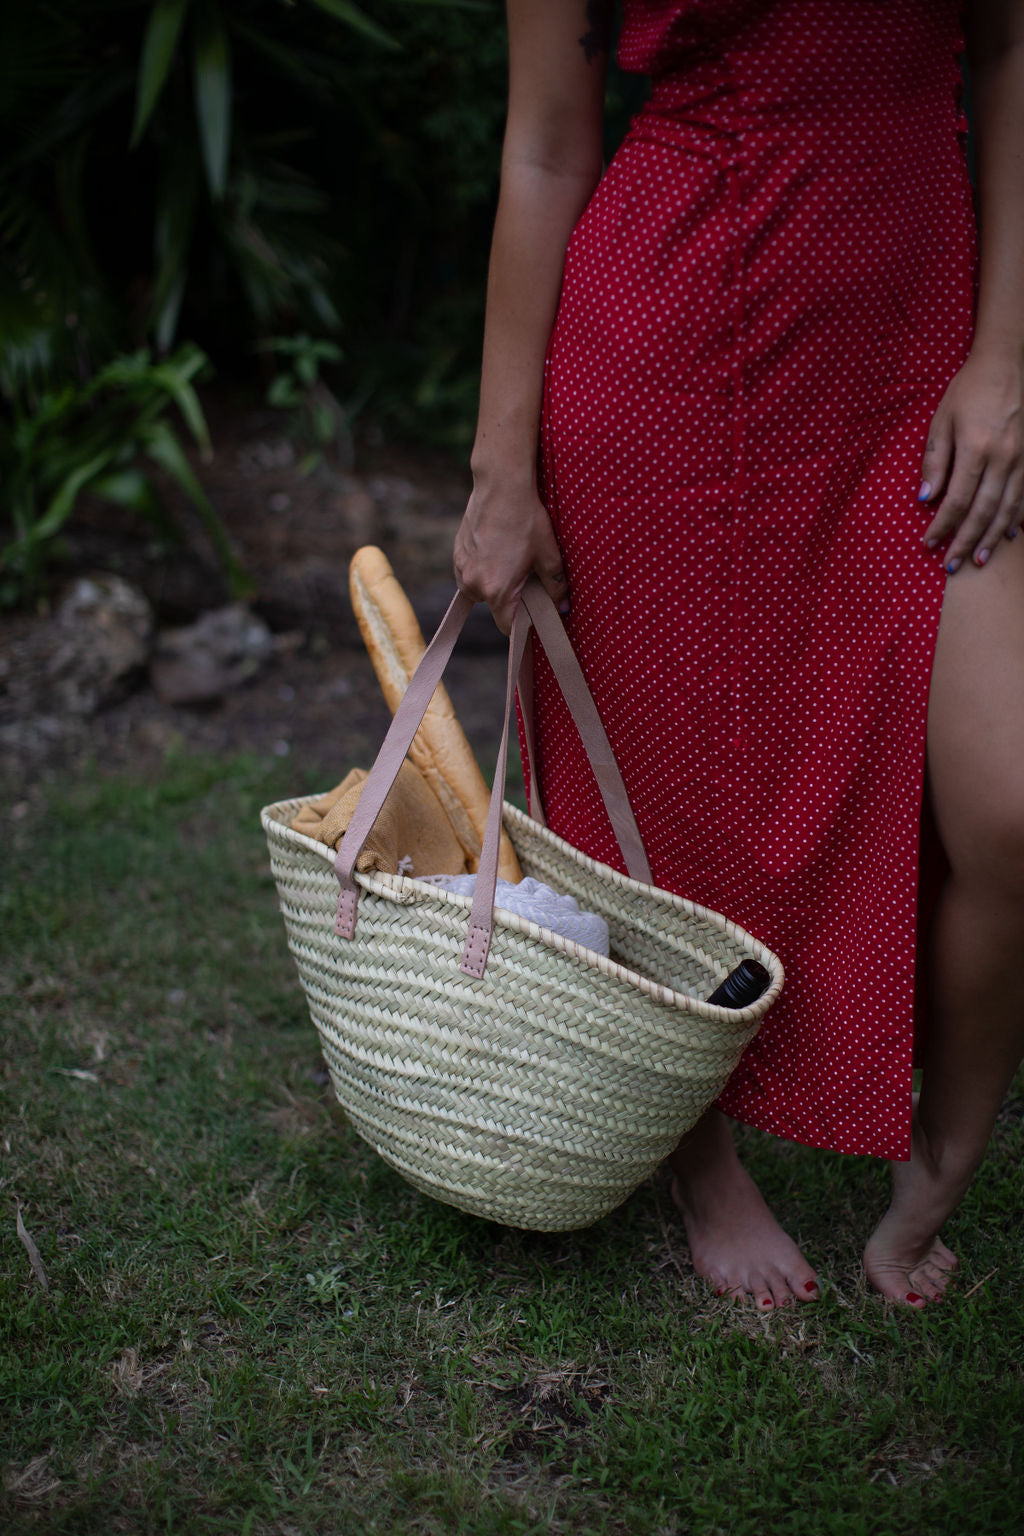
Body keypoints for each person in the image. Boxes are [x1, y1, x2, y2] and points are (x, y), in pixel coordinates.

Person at [453, 0, 1024, 1310]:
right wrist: (499, 464)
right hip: (661, 349)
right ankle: (699, 1160)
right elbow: (545, 143)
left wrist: (1005, 359)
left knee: (1007, 804)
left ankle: (941, 1153)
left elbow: (1007, 48)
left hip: (921, 363)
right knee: (652, 792)